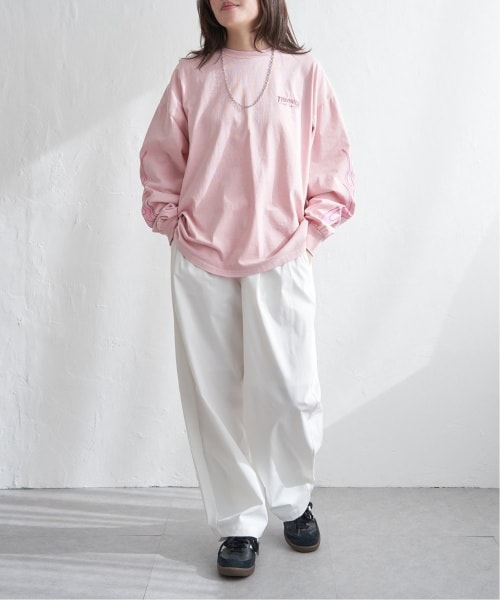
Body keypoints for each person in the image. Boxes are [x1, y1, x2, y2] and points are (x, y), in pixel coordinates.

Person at [139, 0, 355, 578]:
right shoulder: (190, 76)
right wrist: (171, 226)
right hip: (201, 257)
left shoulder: (304, 72)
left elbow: (332, 164)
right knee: (214, 397)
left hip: (282, 254)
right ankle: (237, 522)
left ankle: (293, 498)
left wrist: (310, 235)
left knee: (290, 389)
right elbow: (161, 160)